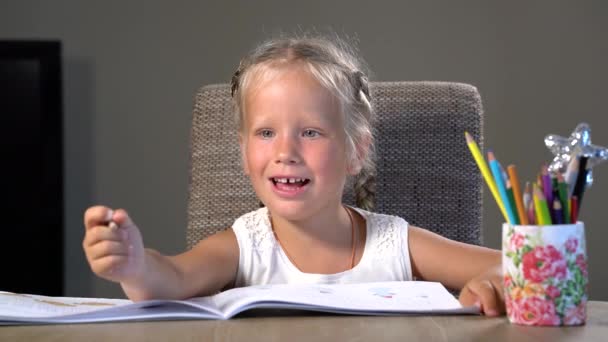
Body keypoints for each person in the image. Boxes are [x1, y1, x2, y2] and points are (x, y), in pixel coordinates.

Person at [83, 34, 504, 316]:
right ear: (245, 153)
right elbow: (170, 280)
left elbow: (519, 267)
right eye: (266, 133)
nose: (286, 152)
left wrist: (491, 285)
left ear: (355, 151)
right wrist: (135, 265)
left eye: (310, 133)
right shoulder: (244, 246)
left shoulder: (395, 244)